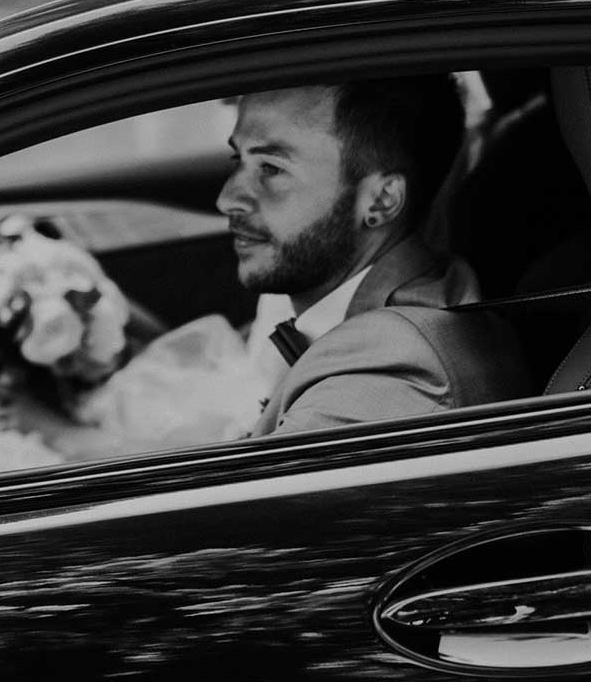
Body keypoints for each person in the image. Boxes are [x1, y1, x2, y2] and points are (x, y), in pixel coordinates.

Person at [218, 78, 532, 437]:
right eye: (236, 160)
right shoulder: (417, 299)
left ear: (381, 200)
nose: (227, 199)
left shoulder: (396, 369)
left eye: (271, 169)